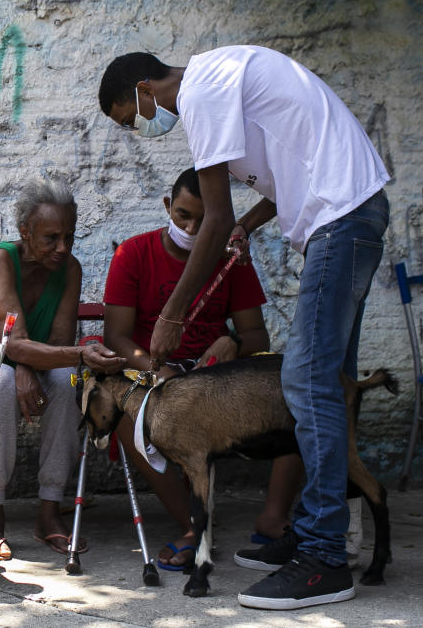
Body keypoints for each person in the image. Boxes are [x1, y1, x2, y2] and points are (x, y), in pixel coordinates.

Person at [99, 47, 390, 610]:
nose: (141, 128)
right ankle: (316, 537)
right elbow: (279, 175)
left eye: (131, 118)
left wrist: (173, 316)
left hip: (340, 217)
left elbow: (214, 217)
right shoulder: (221, 77)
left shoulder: (201, 92)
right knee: (328, 381)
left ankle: (324, 556)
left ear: (142, 89)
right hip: (350, 210)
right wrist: (253, 223)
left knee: (305, 384)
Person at [103, 166, 303, 570]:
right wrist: (159, 374)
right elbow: (117, 338)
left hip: (218, 380)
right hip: (155, 375)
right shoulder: (134, 253)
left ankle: (273, 517)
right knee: (126, 416)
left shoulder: (231, 259)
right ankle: (194, 528)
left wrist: (232, 341)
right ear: (166, 207)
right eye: (182, 216)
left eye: (203, 218)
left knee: (301, 392)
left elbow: (256, 336)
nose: (192, 228)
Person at [0, 178, 126, 561]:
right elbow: (14, 344)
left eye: (69, 236)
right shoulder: (0, 260)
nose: (62, 247)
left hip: (16, 361)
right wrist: (27, 363)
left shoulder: (69, 269)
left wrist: (35, 364)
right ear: (25, 232)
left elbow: (57, 344)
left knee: (67, 377)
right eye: (51, 237)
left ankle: (49, 511)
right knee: (2, 377)